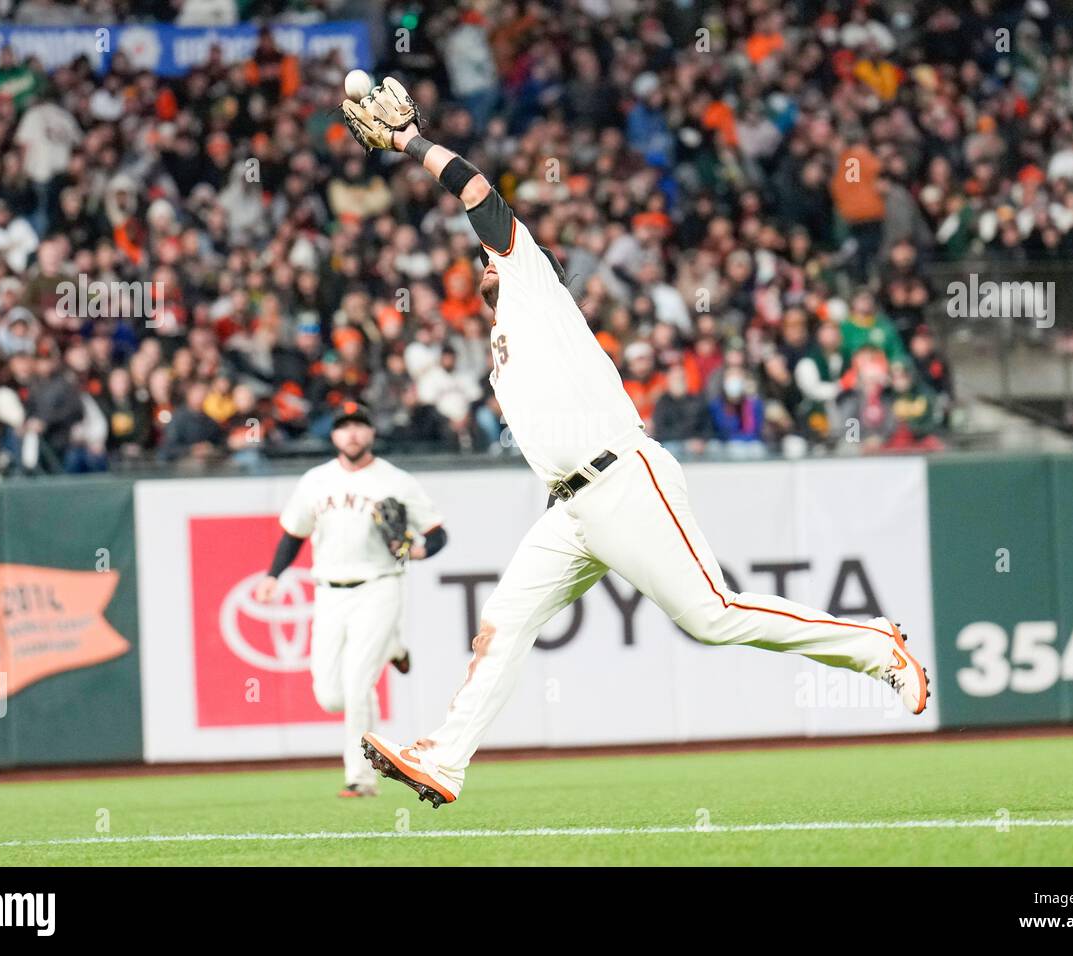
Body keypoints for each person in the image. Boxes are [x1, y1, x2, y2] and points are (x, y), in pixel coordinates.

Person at [340, 80, 930, 808]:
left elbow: (477, 191)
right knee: (501, 624)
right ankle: (447, 758)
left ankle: (878, 647)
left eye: (492, 259)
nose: (483, 266)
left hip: (622, 477)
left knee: (713, 616)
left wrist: (409, 144)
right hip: (572, 509)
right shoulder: (502, 337)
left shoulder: (534, 285)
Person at [252, 401, 448, 798]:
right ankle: (393, 646)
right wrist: (274, 575)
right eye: (344, 427)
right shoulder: (315, 481)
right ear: (334, 435)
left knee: (358, 688)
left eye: (360, 425)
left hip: (380, 586)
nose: (352, 433)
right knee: (330, 696)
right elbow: (294, 534)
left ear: (371, 433)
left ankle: (360, 778)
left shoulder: (396, 480)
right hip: (329, 592)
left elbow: (438, 533)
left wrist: (417, 550)